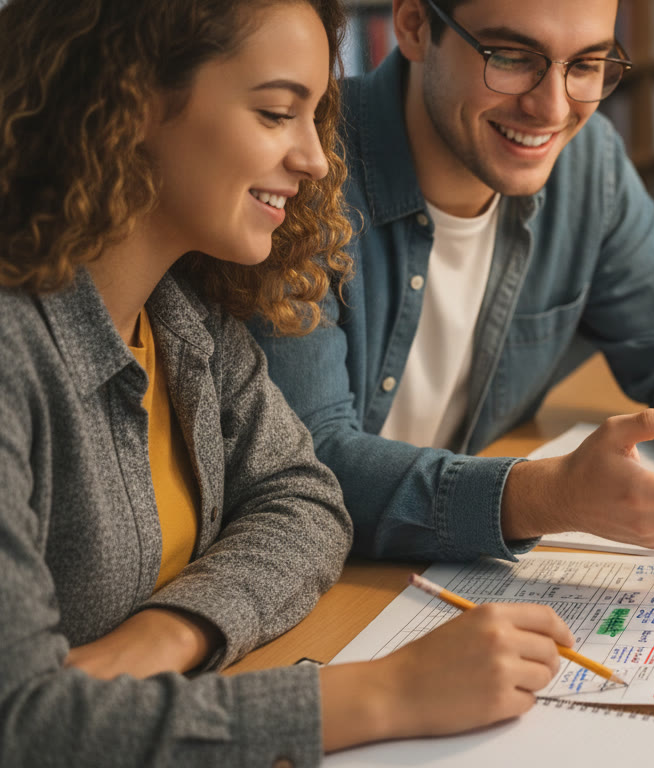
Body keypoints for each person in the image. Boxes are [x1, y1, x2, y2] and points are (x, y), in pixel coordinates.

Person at [0, 2, 573, 764]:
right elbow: (25, 727)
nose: (313, 157)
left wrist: (169, 633)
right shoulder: (16, 353)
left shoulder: (186, 315)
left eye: (316, 115)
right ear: (130, 99)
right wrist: (389, 694)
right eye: (277, 113)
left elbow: (305, 500)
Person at [252, 0, 654, 562]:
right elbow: (308, 462)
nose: (553, 109)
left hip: (444, 569)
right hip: (320, 584)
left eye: (584, 65)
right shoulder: (297, 174)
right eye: (510, 57)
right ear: (414, 25)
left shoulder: (588, 165)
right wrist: (546, 497)